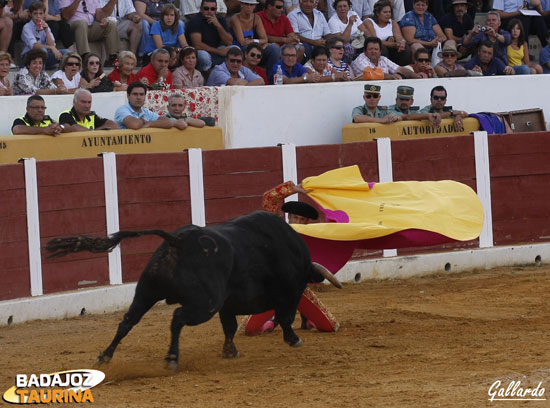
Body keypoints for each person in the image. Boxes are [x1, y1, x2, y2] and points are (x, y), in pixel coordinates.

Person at [242, 180, 340, 335]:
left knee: (330, 327)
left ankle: (303, 317)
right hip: (273, 289)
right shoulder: (276, 228)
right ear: (288, 217)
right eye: (295, 217)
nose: (297, 222)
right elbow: (269, 198)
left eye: (302, 220)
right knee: (249, 330)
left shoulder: (314, 235)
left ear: (308, 222)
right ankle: (276, 319)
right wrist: (292, 189)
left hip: (298, 289)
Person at [58, 0, 120, 65]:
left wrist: (104, 19)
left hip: (90, 26)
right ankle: (85, 56)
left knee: (111, 23)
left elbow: (99, 15)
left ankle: (113, 57)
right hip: (73, 28)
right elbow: (66, 15)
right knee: (82, 23)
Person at [230, 0, 279, 74]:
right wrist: (260, 44)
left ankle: (271, 77)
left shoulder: (256, 18)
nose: (249, 7)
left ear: (254, 6)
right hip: (240, 48)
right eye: (247, 4)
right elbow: (242, 42)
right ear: (242, 4)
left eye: (251, 5)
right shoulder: (235, 18)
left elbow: (265, 39)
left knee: (274, 48)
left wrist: (254, 41)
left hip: (254, 47)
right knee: (249, 50)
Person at [114, 81, 187, 129]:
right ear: (128, 96)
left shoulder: (145, 111)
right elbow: (134, 125)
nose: (139, 97)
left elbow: (168, 122)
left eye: (141, 94)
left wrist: (149, 124)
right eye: (135, 94)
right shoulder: (122, 110)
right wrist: (143, 122)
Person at [21, 1, 70, 69]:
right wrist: (51, 47)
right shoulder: (27, 27)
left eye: (40, 13)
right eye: (35, 13)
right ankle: (41, 77)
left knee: (67, 53)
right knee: (42, 51)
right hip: (29, 57)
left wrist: (46, 31)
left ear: (44, 15)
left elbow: (52, 44)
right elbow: (34, 46)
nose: (38, 16)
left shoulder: (46, 26)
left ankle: (62, 77)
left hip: (44, 55)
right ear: (30, 14)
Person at [187, 0, 234, 71]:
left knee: (235, 49)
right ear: (201, 9)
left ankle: (223, 69)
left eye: (212, 9)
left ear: (216, 10)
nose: (209, 11)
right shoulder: (195, 21)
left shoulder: (220, 20)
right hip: (201, 51)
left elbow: (229, 42)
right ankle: (207, 73)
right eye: (206, 8)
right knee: (203, 56)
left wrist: (218, 26)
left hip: (216, 49)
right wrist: (219, 52)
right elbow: (197, 45)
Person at [363, 0, 411, 66]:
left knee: (406, 49)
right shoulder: (368, 22)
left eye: (389, 12)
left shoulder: (393, 22)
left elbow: (399, 36)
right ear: (377, 13)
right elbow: (374, 40)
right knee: (381, 48)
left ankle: (403, 70)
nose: (388, 14)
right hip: (377, 49)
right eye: (385, 12)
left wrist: (401, 43)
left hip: (393, 50)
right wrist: (393, 44)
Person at [350, 36, 416, 79]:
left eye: (376, 49)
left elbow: (400, 69)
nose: (373, 51)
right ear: (364, 51)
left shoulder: (383, 59)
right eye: (370, 49)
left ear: (380, 51)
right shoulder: (360, 60)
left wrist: (416, 76)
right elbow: (373, 74)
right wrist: (391, 77)